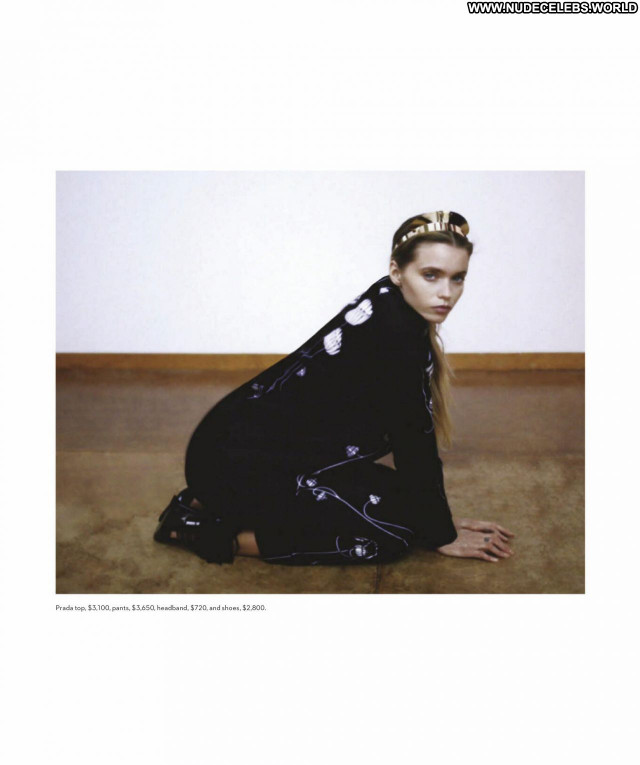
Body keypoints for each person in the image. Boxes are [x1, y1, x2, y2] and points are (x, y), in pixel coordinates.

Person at [153, 210, 515, 565]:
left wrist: (434, 519)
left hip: (230, 453)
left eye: (457, 278)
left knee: (403, 503)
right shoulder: (396, 338)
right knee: (393, 534)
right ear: (397, 271)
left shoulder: (386, 301)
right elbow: (413, 445)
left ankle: (204, 501)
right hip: (233, 466)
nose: (446, 293)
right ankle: (206, 532)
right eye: (431, 275)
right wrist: (442, 534)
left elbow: (411, 449)